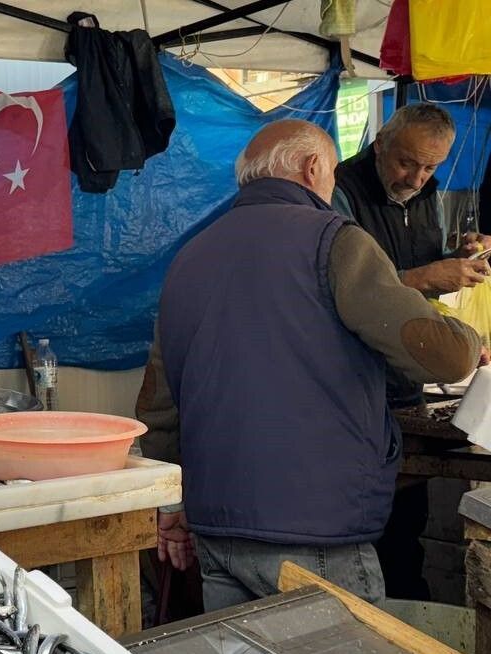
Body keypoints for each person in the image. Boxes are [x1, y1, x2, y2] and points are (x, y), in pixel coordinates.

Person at [137, 119, 483, 611]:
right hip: (313, 527)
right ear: (314, 166)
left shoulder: (190, 257)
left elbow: (158, 406)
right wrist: (470, 338)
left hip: (215, 526)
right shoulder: (335, 240)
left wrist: (170, 508)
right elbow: (446, 357)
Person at [334, 102, 491, 601]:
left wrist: (458, 255)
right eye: (407, 162)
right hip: (353, 385)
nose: (418, 177)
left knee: (408, 524)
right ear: (380, 143)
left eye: (431, 167)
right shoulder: (338, 193)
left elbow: (415, 262)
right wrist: (423, 278)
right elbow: (334, 294)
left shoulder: (425, 193)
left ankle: (409, 612)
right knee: (361, 527)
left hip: (406, 381)